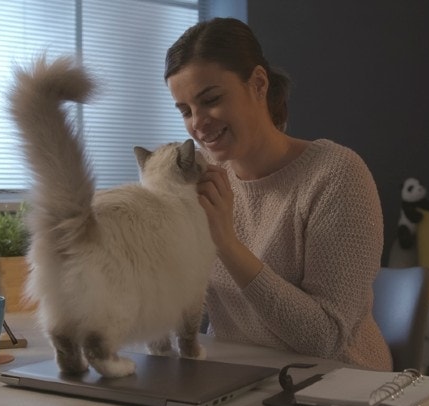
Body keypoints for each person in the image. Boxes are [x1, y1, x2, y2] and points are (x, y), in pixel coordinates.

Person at [164, 17, 392, 371]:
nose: (197, 123)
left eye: (210, 99)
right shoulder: (204, 174)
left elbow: (325, 339)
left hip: (340, 388)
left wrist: (226, 243)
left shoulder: (336, 176)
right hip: (241, 379)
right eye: (185, 111)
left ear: (258, 84)